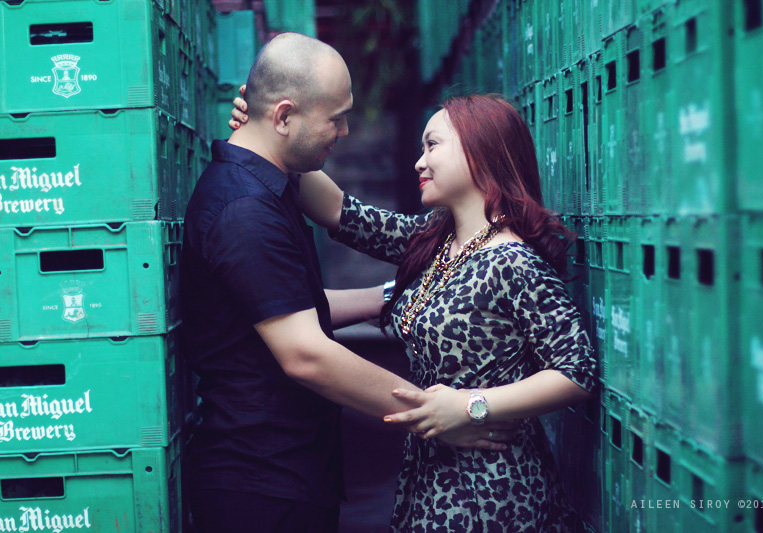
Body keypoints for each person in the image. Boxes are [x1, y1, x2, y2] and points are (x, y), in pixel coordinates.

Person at [181, 33, 510, 533]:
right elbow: (306, 353)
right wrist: (433, 414)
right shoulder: (245, 210)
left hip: (286, 473)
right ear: (284, 117)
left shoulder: (267, 187)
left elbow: (294, 301)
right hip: (261, 480)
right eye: (335, 118)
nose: (346, 130)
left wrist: (392, 298)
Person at [231, 92, 599, 531]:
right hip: (431, 475)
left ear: (480, 150)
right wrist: (269, 136)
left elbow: (577, 371)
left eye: (432, 145)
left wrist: (470, 406)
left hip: (494, 488)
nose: (419, 163)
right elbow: (341, 212)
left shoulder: (513, 262)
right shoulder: (437, 242)